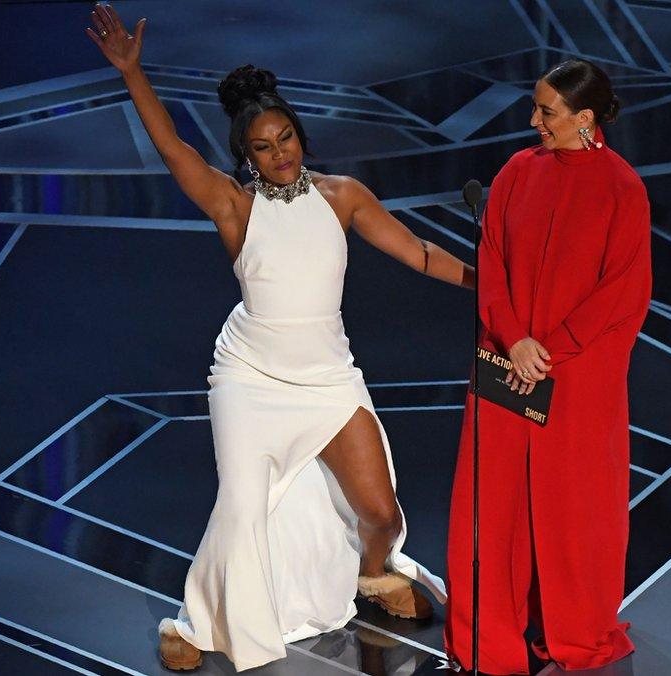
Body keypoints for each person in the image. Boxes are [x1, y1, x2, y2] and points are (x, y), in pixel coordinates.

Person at [85, 4, 472, 672]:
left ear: (299, 132)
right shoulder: (234, 207)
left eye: (286, 137)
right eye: (263, 147)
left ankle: (372, 575)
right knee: (240, 510)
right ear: (247, 157)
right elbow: (175, 149)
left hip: (327, 377)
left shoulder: (344, 195)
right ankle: (195, 624)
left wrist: (489, 281)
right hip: (251, 379)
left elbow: (418, 253)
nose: (280, 152)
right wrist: (133, 75)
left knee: (379, 513)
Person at [443, 58, 652, 674]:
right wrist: (514, 340)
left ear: (585, 118)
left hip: (578, 372)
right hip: (507, 362)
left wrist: (549, 348)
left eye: (547, 112)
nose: (534, 121)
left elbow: (622, 291)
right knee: (492, 503)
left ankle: (576, 629)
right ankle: (488, 640)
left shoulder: (622, 188)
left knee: (575, 507)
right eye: (536, 108)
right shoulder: (515, 172)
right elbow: (493, 261)